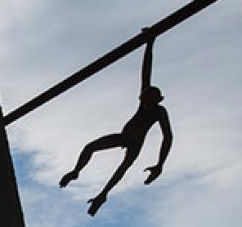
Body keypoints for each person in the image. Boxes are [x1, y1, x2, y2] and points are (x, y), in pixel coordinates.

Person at [59, 28, 173, 216]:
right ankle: (75, 171)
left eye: (146, 100)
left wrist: (160, 163)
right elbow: (145, 73)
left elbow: (167, 137)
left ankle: (102, 195)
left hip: (135, 143)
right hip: (123, 136)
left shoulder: (159, 111)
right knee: (90, 147)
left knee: (121, 169)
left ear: (155, 100)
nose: (143, 102)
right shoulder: (144, 101)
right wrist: (149, 43)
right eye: (143, 99)